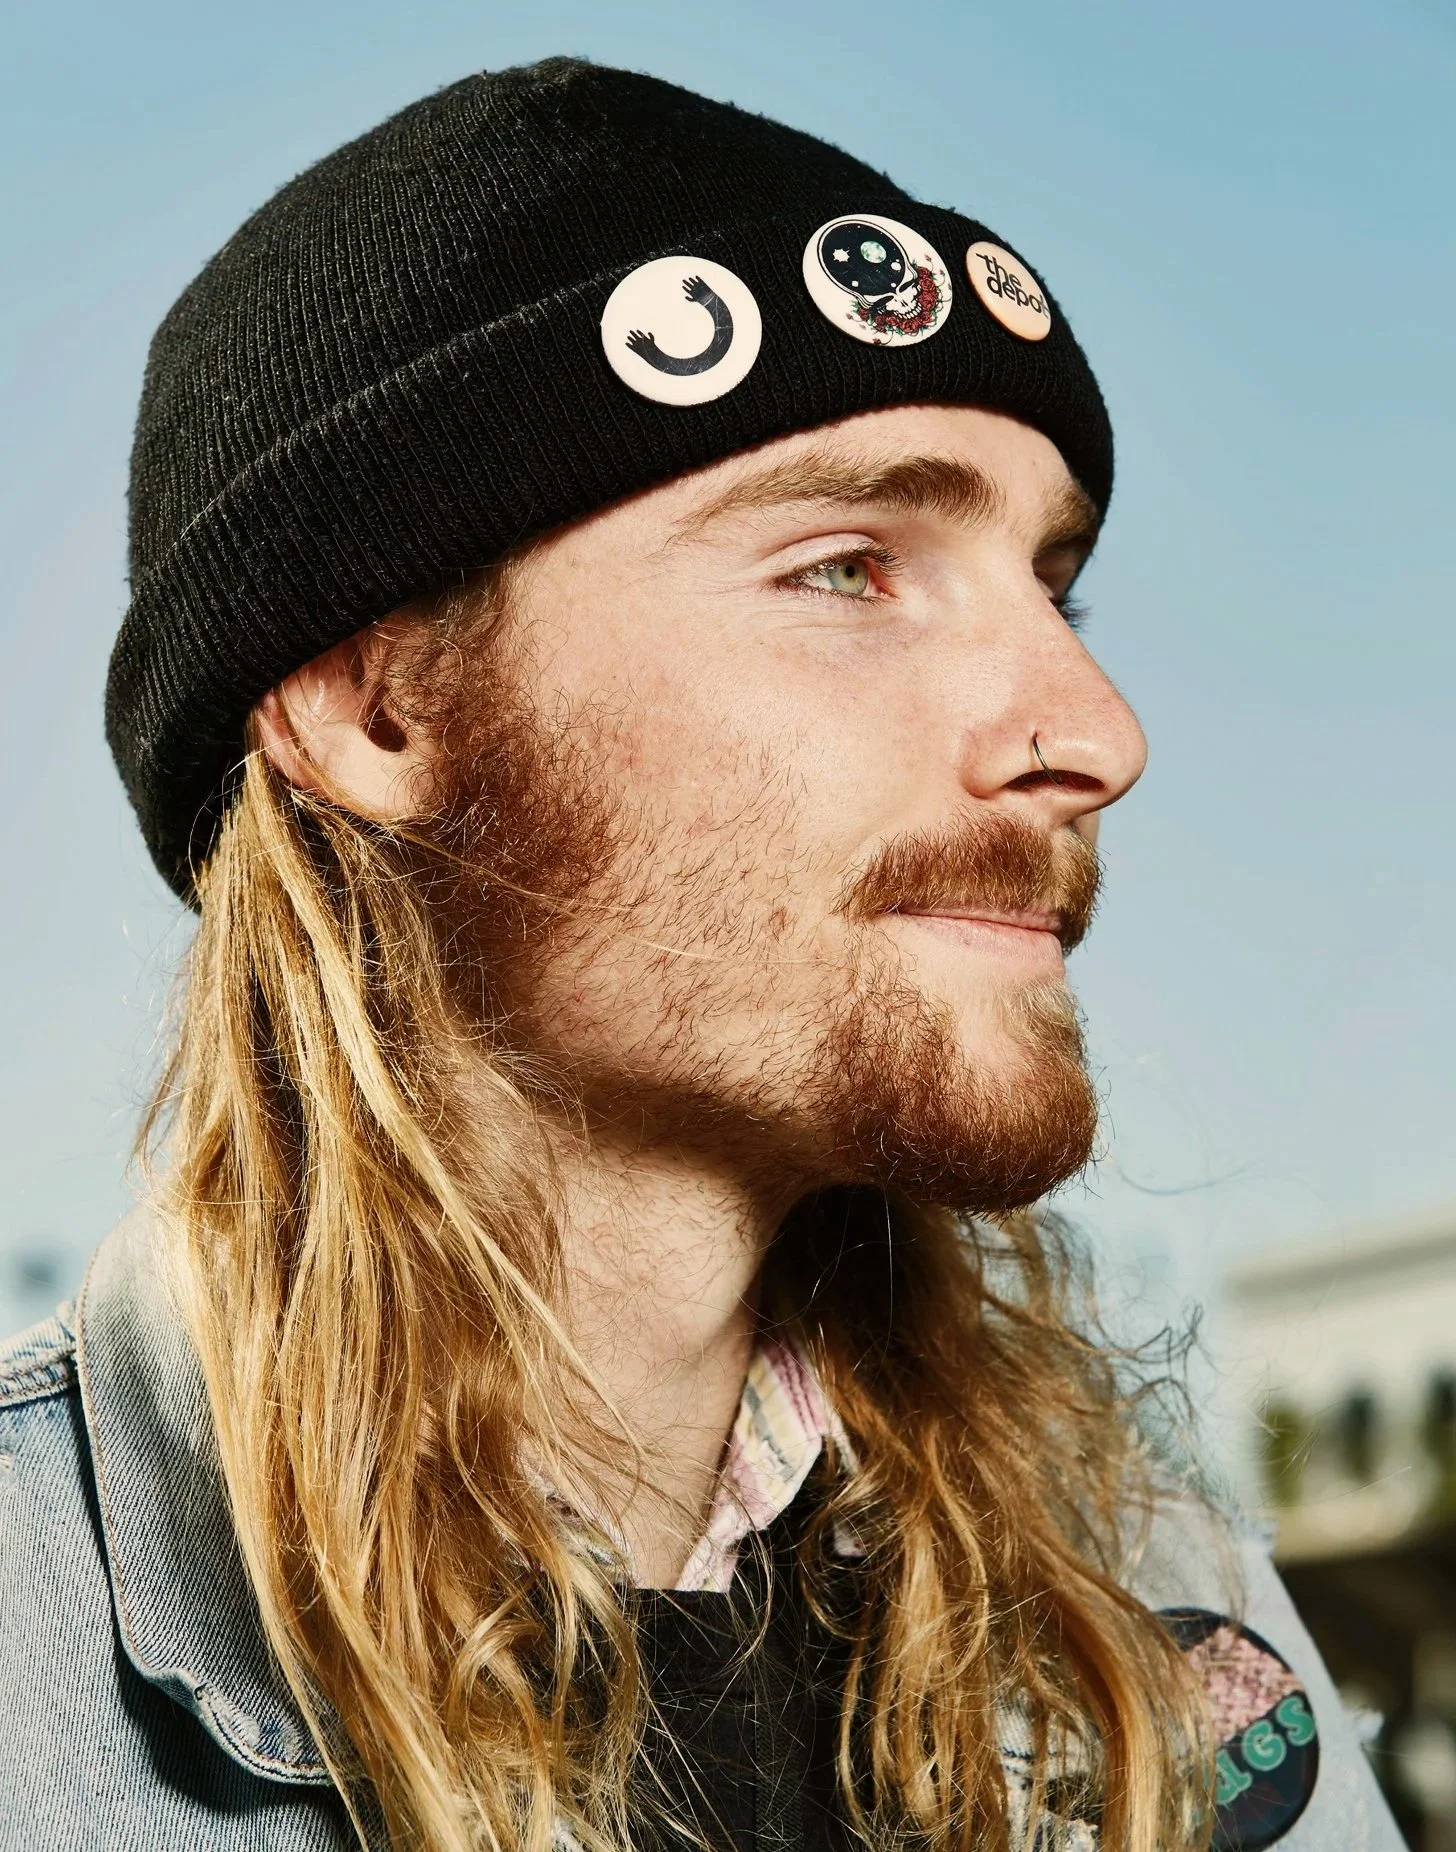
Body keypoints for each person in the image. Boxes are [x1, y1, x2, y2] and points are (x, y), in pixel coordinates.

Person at [0, 56, 1404, 1852]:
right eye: (846, 567)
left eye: (1054, 583)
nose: (1095, 728)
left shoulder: (1152, 1621)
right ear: (374, 708)